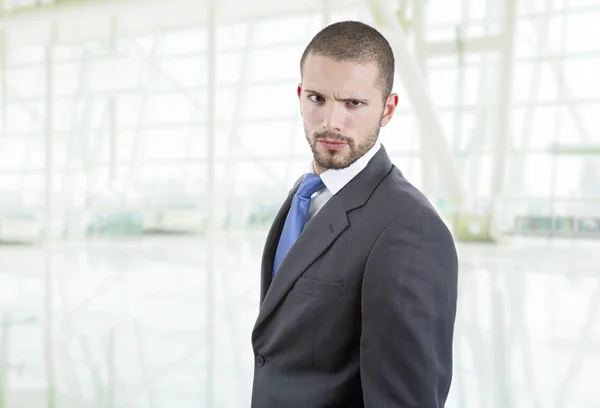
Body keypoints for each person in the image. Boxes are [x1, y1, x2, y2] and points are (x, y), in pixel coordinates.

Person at [250, 20, 458, 408]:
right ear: (299, 95)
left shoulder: (408, 229)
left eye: (354, 104)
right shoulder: (304, 196)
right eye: (317, 99)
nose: (331, 122)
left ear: (388, 109)